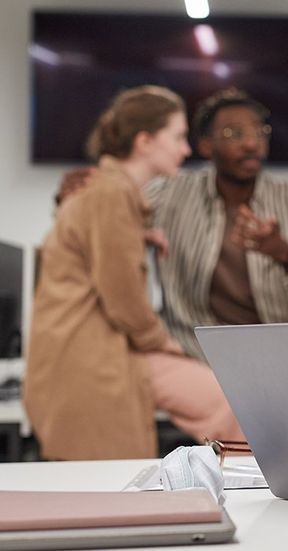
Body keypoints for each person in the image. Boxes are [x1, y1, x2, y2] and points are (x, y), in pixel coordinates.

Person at [25, 86, 244, 460]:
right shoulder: (111, 194)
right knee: (233, 407)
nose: (186, 149)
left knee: (227, 408)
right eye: (177, 137)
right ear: (144, 141)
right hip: (93, 358)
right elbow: (122, 297)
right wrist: (166, 343)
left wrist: (137, 238)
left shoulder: (110, 193)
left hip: (91, 353)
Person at [57, 88, 288, 360]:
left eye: (260, 132)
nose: (251, 143)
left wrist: (285, 255)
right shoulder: (169, 192)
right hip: (192, 352)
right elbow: (105, 219)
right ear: (205, 146)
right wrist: (75, 196)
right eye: (233, 133)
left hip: (279, 356)